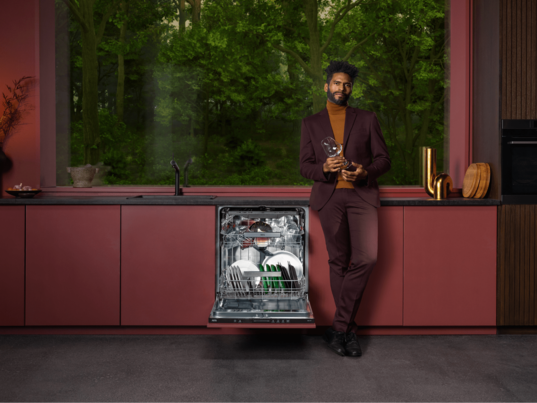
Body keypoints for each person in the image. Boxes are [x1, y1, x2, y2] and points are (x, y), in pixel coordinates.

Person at [299, 60, 391, 357]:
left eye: (347, 84)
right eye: (337, 83)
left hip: (361, 197)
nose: (342, 88)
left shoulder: (366, 119)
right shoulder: (311, 123)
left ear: (352, 89)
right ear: (326, 86)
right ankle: (348, 333)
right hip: (329, 199)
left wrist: (365, 173)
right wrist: (324, 168)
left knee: (366, 258)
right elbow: (304, 166)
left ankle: (338, 328)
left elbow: (383, 160)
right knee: (338, 262)